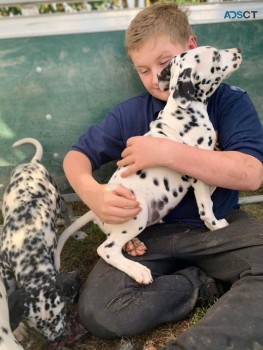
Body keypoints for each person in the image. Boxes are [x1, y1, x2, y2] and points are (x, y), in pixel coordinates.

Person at [63, 3, 263, 349]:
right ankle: (204, 284)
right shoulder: (131, 113)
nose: (157, 78)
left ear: (190, 49)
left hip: (216, 226)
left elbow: (251, 174)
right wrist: (92, 193)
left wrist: (167, 153)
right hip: (147, 236)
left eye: (164, 64)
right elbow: (76, 157)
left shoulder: (229, 103)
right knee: (100, 311)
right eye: (143, 70)